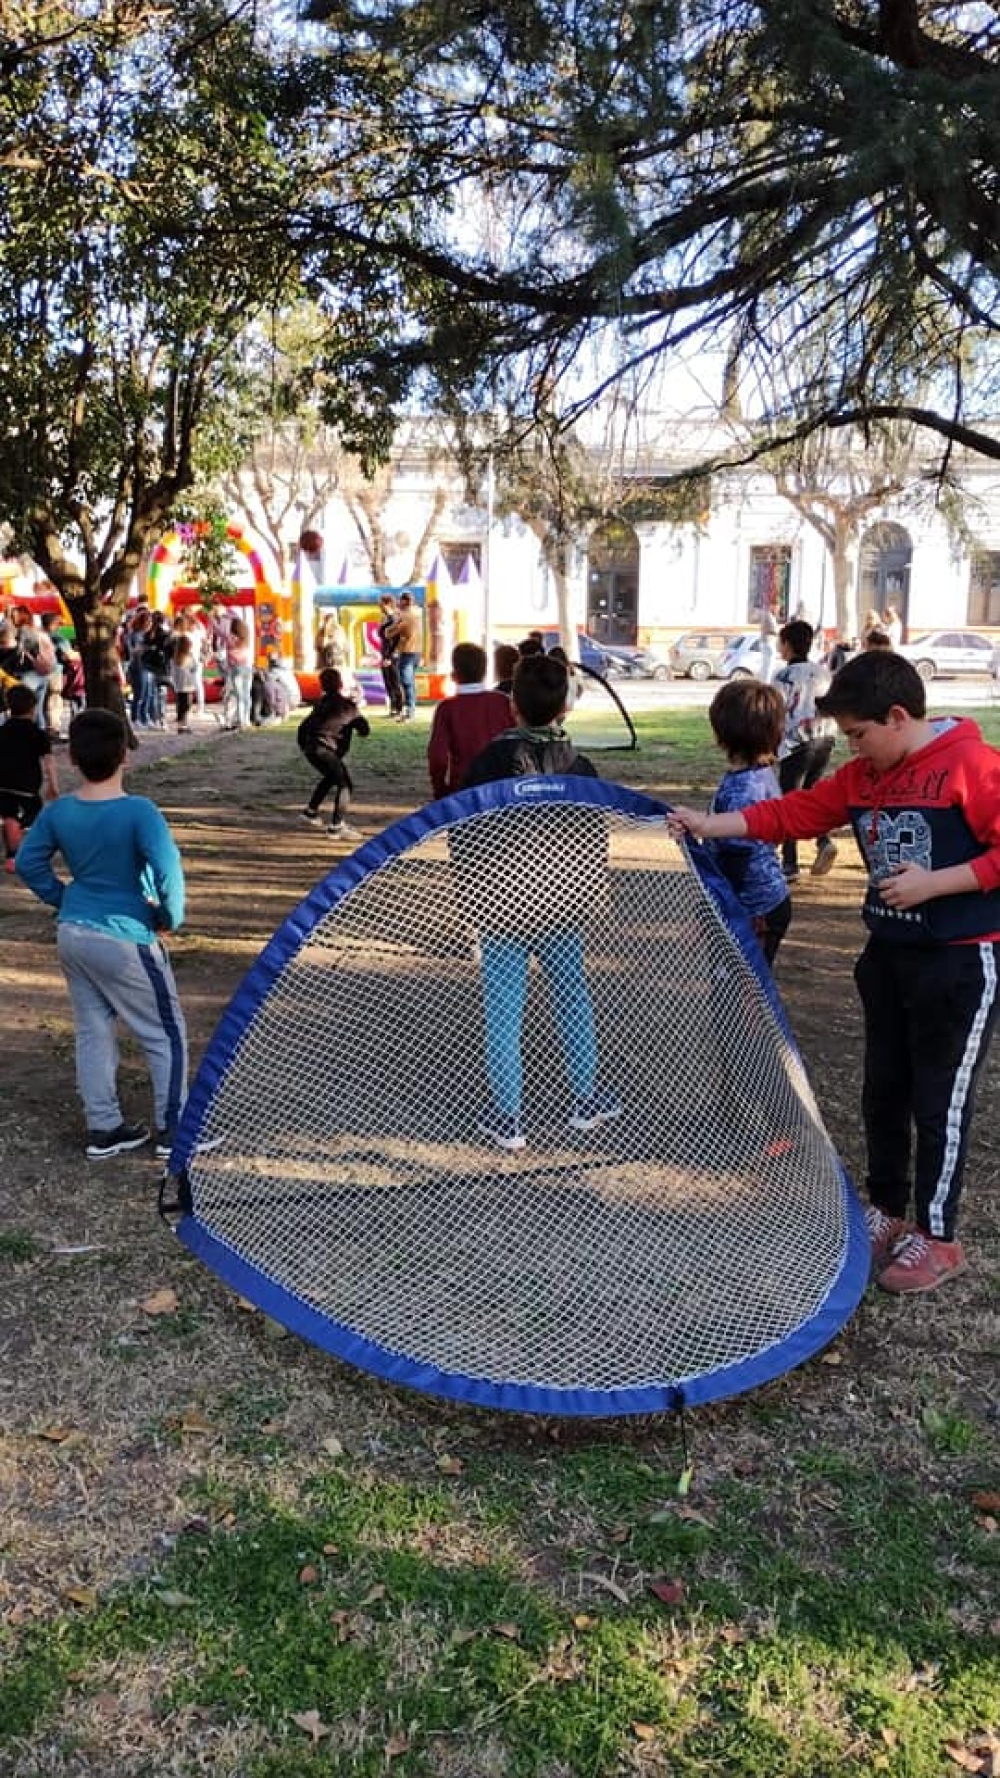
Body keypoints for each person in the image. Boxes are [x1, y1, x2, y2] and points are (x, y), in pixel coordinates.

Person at [669, 651, 1000, 1295]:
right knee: (883, 1088)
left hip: (958, 959)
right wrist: (711, 824)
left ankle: (938, 1235)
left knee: (939, 1100)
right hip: (889, 958)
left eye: (858, 735)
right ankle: (887, 1207)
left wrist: (939, 883)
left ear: (898, 717)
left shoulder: (972, 766)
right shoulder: (862, 777)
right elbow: (791, 815)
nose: (853, 749)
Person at [461, 652, 620, 1151]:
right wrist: (590, 888)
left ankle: (508, 1116)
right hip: (560, 906)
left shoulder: (488, 762)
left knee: (504, 1009)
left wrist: (470, 895)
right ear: (565, 709)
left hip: (502, 905)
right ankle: (585, 1098)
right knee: (573, 999)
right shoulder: (580, 765)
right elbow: (594, 837)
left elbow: (464, 832)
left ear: (513, 705)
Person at [15, 708, 188, 1159]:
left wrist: (63, 898)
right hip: (125, 935)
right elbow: (167, 870)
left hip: (73, 934)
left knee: (93, 1030)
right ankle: (174, 1130)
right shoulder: (139, 812)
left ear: (71, 757)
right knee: (163, 1032)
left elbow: (29, 863)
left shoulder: (59, 813)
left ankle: (104, 1128)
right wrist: (169, 916)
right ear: (124, 757)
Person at [701, 679, 792, 965]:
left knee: (739, 1000)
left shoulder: (744, 788)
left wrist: (710, 913)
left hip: (753, 910)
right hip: (760, 903)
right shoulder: (756, 775)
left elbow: (735, 859)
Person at [773, 619, 838, 882]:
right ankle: (823, 841)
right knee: (811, 796)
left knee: (790, 801)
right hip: (825, 738)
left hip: (795, 743)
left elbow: (775, 710)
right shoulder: (823, 673)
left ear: (787, 645)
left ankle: (790, 863)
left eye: (781, 642)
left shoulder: (783, 676)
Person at [426, 642, 511, 799]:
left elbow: (437, 757)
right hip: (501, 788)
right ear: (485, 671)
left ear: (454, 674)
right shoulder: (503, 702)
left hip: (463, 790)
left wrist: (440, 790)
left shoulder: (447, 708)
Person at [297, 667, 371, 837]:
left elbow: (302, 728)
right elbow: (365, 730)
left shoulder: (320, 704)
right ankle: (336, 826)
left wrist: (305, 747)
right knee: (345, 784)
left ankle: (310, 812)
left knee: (331, 777)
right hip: (326, 749)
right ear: (340, 684)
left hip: (311, 748)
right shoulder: (347, 706)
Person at [0, 683, 59, 871]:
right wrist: (53, 784)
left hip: (3, 782)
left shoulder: (2, 730)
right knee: (32, 813)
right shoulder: (37, 733)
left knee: (9, 815)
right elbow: (49, 761)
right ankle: (19, 835)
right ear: (33, 708)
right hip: (27, 784)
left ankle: (11, 856)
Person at [384, 591, 422, 720]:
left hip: (408, 652)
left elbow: (389, 633)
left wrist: (391, 628)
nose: (398, 603)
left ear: (405, 601)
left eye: (400, 600)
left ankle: (409, 712)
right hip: (416, 652)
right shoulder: (417, 612)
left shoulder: (406, 616)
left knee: (406, 682)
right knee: (408, 682)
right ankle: (409, 710)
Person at [376, 594, 404, 717]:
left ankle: (399, 708)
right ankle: (393, 708)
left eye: (381, 603)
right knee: (388, 682)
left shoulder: (394, 619)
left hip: (391, 655)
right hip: (385, 654)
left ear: (387, 604)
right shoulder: (386, 619)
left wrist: (389, 656)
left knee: (394, 681)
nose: (379, 606)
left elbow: (396, 640)